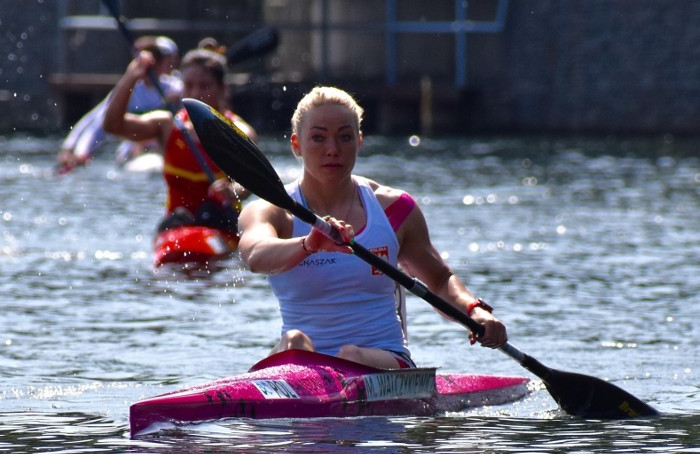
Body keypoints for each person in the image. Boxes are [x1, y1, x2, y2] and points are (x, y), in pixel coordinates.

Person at [237, 86, 508, 370]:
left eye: (345, 137)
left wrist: (474, 311)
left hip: (382, 360)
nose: (332, 150)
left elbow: (439, 281)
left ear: (359, 141)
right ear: (296, 144)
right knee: (293, 341)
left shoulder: (393, 208)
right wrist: (309, 244)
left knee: (351, 356)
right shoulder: (272, 211)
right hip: (301, 368)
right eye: (318, 138)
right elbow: (255, 255)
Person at [103, 46, 256, 233]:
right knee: (177, 220)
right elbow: (112, 126)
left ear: (222, 90)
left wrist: (233, 191)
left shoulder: (238, 132)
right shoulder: (166, 125)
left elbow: (252, 182)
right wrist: (132, 76)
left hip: (221, 223)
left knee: (211, 214)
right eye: (189, 85)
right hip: (177, 226)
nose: (195, 94)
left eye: (204, 86)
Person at [56, 36, 182, 174]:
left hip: (166, 151)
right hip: (134, 153)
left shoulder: (176, 88)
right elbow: (96, 123)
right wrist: (80, 151)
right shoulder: (129, 91)